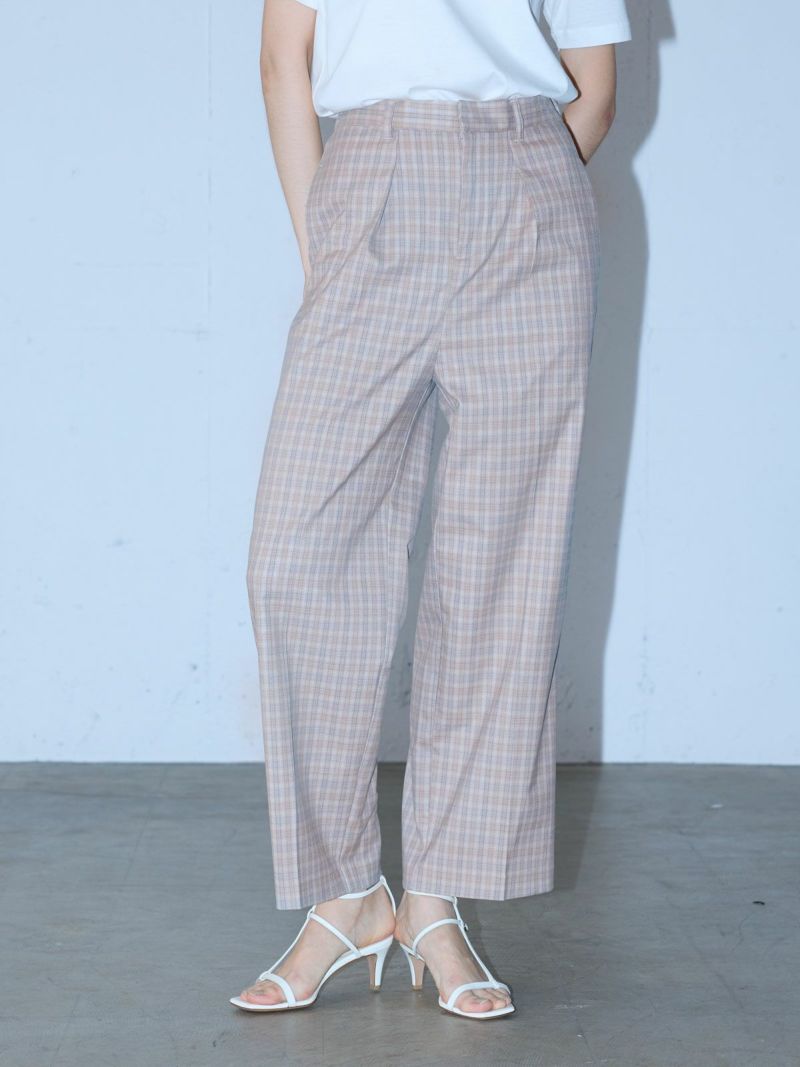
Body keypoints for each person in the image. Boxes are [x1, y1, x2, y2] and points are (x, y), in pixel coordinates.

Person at [232, 0, 631, 1020]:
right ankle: (344, 895)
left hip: (527, 184)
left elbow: (593, 90)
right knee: (294, 558)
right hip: (372, 172)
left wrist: (519, 188)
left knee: (502, 561)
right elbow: (283, 58)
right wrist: (328, 240)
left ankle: (437, 900)